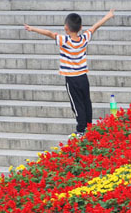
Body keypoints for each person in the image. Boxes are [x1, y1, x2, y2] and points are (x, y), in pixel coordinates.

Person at [24, 9, 116, 139]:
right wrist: (108, 16)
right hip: (83, 77)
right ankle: (89, 126)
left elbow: (49, 33)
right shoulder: (84, 38)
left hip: (72, 79)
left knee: (76, 104)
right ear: (81, 28)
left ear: (66, 27)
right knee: (86, 102)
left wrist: (32, 28)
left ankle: (80, 130)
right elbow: (95, 26)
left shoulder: (64, 40)